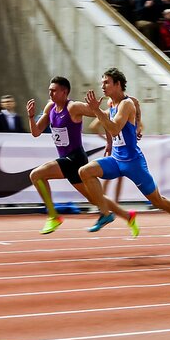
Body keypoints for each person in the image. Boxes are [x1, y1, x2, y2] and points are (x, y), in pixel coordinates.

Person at [78, 68, 170, 237]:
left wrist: (97, 111)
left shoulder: (126, 104)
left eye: (106, 83)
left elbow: (115, 128)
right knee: (85, 172)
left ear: (118, 84)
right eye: (102, 83)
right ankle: (105, 213)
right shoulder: (112, 104)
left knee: (158, 201)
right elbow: (118, 120)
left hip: (133, 163)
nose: (102, 86)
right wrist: (110, 142)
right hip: (116, 160)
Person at [26, 76, 128, 235]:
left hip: (75, 158)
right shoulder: (50, 108)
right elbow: (36, 132)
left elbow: (103, 115)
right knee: (95, 199)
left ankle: (53, 217)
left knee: (36, 175)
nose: (50, 93)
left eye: (53, 91)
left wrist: (109, 141)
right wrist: (31, 117)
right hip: (67, 160)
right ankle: (128, 216)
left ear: (64, 92)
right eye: (49, 90)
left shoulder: (73, 107)